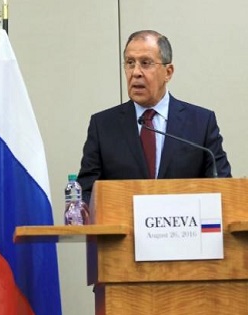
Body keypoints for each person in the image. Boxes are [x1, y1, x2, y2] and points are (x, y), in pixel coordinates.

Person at [77, 30, 232, 204]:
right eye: (130, 63)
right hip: (124, 228)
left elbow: (222, 189)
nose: (135, 72)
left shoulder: (201, 123)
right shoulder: (103, 126)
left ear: (168, 72)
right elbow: (86, 193)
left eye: (145, 63)